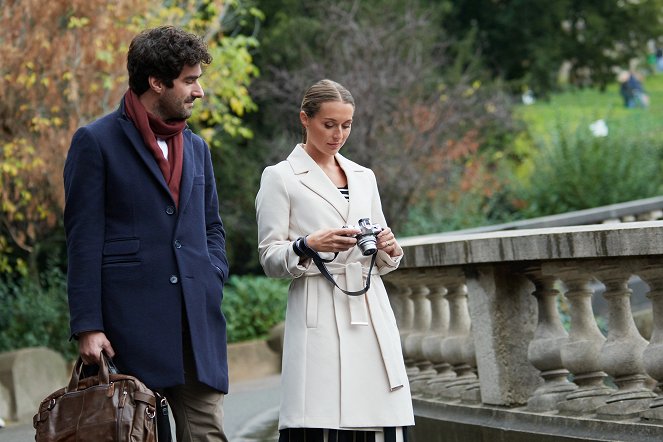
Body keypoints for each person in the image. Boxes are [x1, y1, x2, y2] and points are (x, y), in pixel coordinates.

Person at [63, 26, 230, 442]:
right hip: (126, 332)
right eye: (190, 80)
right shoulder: (95, 142)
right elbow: (83, 239)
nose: (200, 91)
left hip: (196, 326)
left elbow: (211, 227)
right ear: (157, 82)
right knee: (138, 435)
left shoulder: (198, 149)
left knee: (208, 434)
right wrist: (87, 325)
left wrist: (212, 273)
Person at [255, 79, 414, 442]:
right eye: (329, 124)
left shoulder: (364, 176)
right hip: (319, 309)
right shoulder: (279, 177)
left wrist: (390, 247)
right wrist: (306, 244)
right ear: (305, 119)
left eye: (346, 125)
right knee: (321, 419)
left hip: (369, 307)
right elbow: (269, 257)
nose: (338, 134)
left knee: (381, 420)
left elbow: (380, 245)